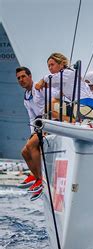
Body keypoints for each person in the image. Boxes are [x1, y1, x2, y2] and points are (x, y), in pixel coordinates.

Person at [35, 52, 93, 119]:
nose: (50, 68)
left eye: (52, 65)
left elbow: (47, 78)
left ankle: (73, 121)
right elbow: (58, 95)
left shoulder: (66, 73)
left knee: (49, 107)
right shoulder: (66, 78)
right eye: (49, 66)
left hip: (84, 107)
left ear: (61, 64)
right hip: (86, 108)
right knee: (51, 106)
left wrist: (41, 81)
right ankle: (72, 121)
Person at [16, 66, 45, 201]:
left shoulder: (39, 89)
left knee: (31, 145)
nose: (21, 80)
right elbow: (31, 118)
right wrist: (32, 133)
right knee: (24, 151)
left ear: (30, 76)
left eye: (23, 76)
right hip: (39, 125)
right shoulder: (26, 97)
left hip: (50, 122)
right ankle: (35, 176)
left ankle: (40, 179)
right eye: (18, 78)